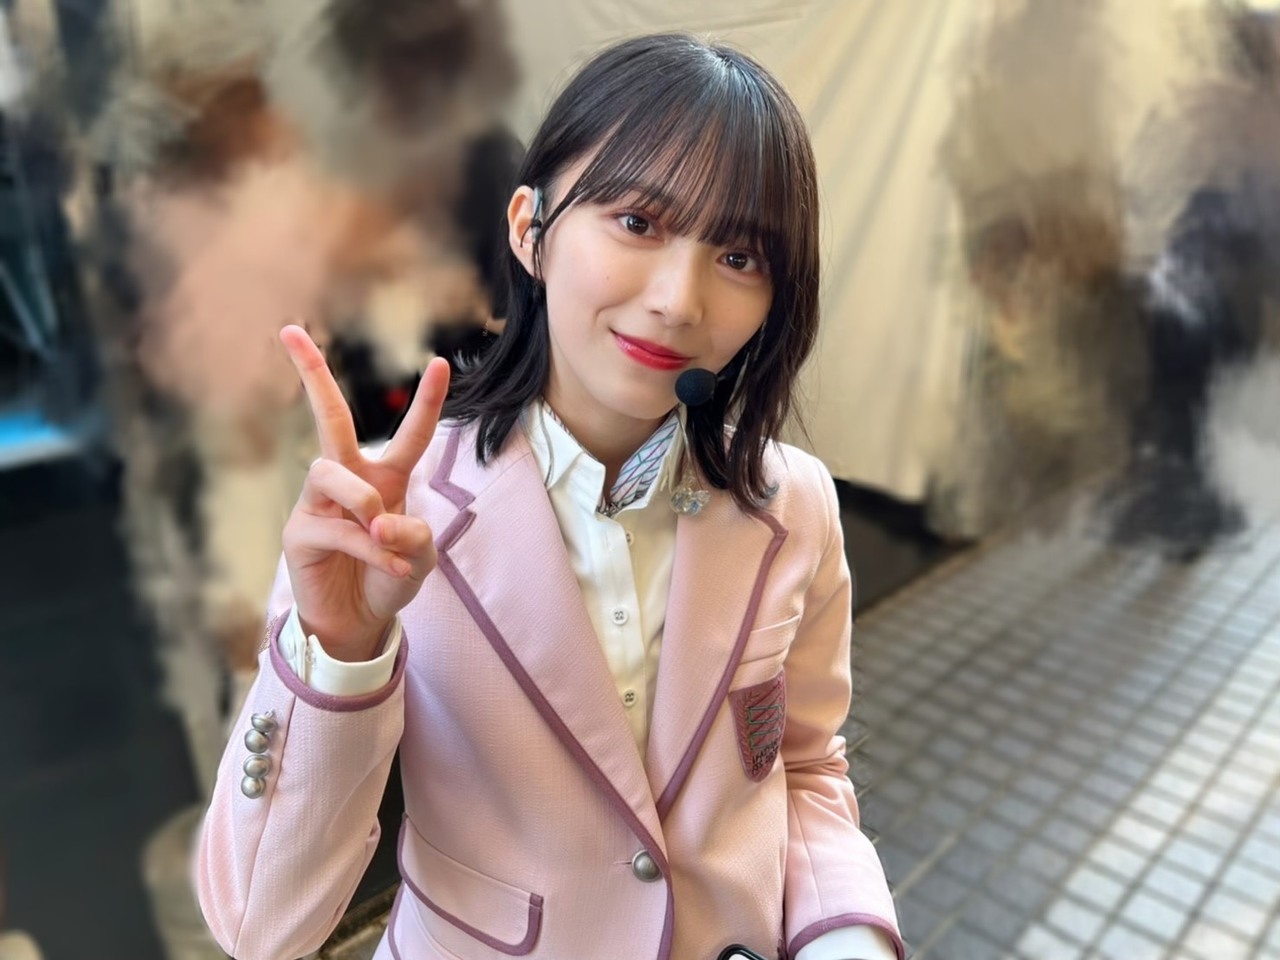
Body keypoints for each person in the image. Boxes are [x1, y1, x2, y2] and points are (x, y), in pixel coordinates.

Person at [195, 33, 903, 960]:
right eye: (637, 222)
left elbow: (803, 766)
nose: (678, 300)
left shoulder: (793, 504)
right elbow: (260, 926)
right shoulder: (387, 519)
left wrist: (845, 936)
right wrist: (339, 650)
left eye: (739, 256)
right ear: (531, 229)